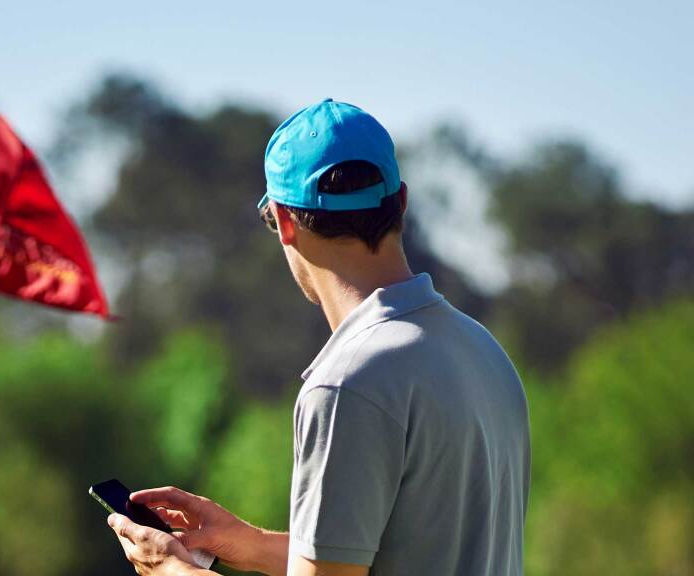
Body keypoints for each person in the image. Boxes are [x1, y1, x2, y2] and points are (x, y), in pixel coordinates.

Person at [108, 99, 530, 576]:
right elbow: (401, 550)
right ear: (402, 202)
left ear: (285, 222)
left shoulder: (350, 382)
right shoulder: (483, 350)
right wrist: (248, 544)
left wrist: (172, 569)